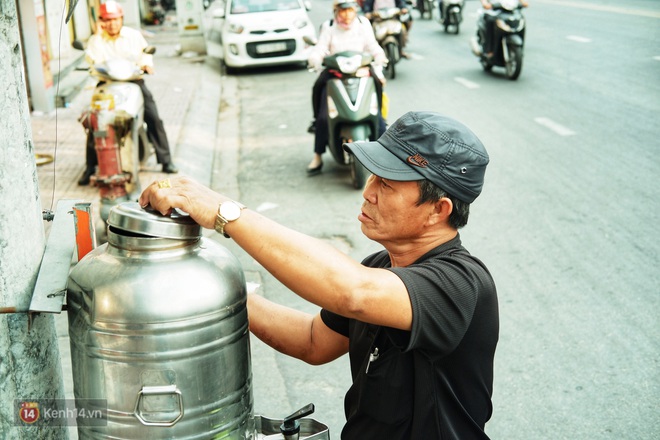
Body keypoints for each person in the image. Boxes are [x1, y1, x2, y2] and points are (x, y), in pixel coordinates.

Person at [139, 111, 499, 439]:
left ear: (439, 210)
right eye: (373, 176)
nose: (368, 192)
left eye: (387, 185)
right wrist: (217, 290)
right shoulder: (380, 266)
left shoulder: (461, 283)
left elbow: (353, 292)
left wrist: (223, 212)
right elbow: (313, 340)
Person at [78, 0, 177, 186]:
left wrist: (147, 64)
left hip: (133, 82)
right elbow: (92, 59)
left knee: (153, 117)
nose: (111, 24)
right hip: (107, 85)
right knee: (95, 121)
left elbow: (145, 53)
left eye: (115, 19)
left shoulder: (134, 36)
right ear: (100, 21)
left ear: (121, 19)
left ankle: (166, 160)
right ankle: (90, 166)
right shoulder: (96, 41)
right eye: (107, 20)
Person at [306, 0, 387, 175]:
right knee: (321, 109)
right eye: (342, 11)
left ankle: (386, 151)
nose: (346, 15)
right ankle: (318, 155)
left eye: (350, 10)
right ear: (336, 11)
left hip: (361, 71)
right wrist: (314, 57)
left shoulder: (363, 23)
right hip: (335, 73)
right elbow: (320, 48)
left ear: (355, 10)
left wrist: (379, 55)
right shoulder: (328, 26)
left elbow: (372, 45)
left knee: (378, 95)